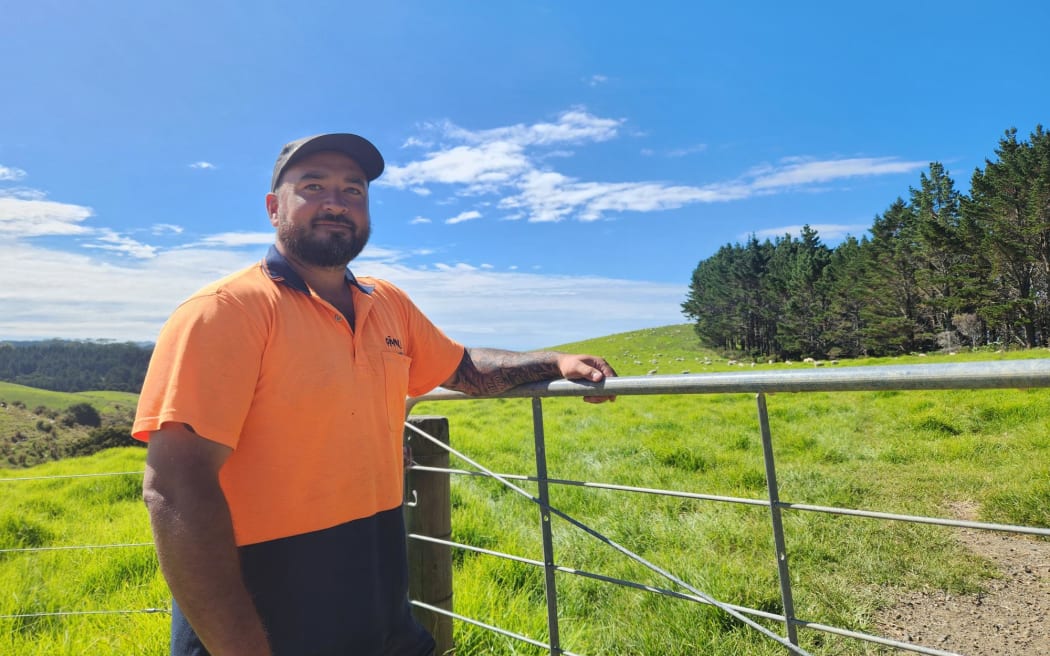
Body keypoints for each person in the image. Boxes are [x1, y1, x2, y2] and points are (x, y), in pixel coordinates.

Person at [133, 133, 617, 656]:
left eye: (353, 190)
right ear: (274, 208)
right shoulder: (227, 310)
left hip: (379, 591)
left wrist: (555, 363)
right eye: (313, 186)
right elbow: (175, 488)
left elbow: (464, 368)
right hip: (265, 609)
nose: (337, 203)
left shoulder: (387, 303)